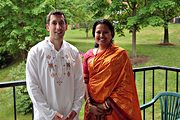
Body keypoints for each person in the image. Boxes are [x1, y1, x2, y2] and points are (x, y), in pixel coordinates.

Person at [26, 9, 84, 120]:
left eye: (61, 23)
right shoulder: (36, 52)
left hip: (69, 116)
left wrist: (75, 109)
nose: (58, 27)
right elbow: (32, 86)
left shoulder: (73, 52)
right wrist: (50, 115)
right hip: (45, 117)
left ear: (66, 26)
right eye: (54, 23)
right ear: (47, 27)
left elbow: (79, 83)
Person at [83, 19, 142, 120]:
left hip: (113, 109)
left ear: (112, 34)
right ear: (94, 34)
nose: (101, 35)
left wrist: (105, 105)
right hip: (92, 109)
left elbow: (125, 85)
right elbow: (85, 81)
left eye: (105, 32)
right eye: (98, 32)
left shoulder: (119, 55)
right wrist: (89, 104)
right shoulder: (88, 55)